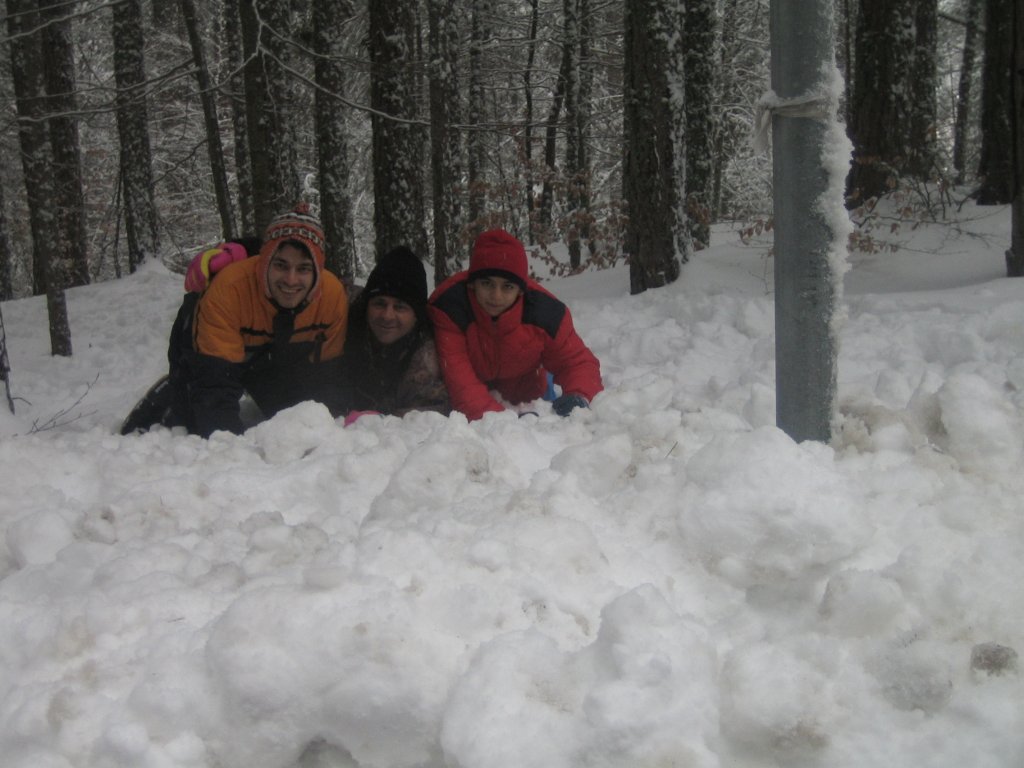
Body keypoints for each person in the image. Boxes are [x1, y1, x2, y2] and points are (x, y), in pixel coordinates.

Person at [124, 204, 348, 437]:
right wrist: (232, 452)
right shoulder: (229, 290)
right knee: (192, 425)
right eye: (281, 265)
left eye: (303, 269)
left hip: (275, 358)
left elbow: (327, 379)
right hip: (207, 354)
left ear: (318, 272)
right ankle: (170, 391)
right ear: (264, 263)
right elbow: (214, 387)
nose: (291, 280)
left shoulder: (331, 297)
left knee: (293, 420)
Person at [427, 228, 602, 420]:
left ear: (521, 290)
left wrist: (579, 395)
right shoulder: (451, 309)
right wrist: (504, 423)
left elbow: (577, 362)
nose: (496, 296)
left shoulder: (545, 314)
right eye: (487, 283)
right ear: (472, 284)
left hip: (526, 395)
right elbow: (461, 383)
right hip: (475, 404)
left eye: (507, 286)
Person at [119, 236, 260, 435]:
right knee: (188, 408)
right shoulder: (220, 294)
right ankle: (155, 413)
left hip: (207, 337)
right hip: (196, 344)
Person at [336, 246, 450, 421]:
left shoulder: (425, 357)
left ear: (416, 316)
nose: (387, 316)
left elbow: (429, 415)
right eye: (379, 304)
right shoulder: (341, 314)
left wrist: (377, 420)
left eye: (400, 307)